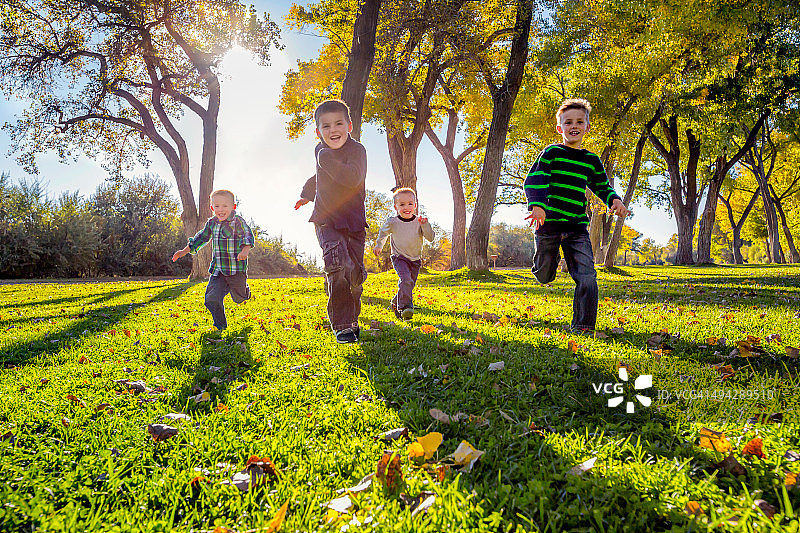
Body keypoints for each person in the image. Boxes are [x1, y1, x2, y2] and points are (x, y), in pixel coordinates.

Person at [524, 98, 630, 334]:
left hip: (576, 228)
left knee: (587, 276)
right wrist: (538, 206)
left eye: (579, 121)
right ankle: (543, 267)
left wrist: (615, 200)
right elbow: (535, 179)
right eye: (568, 122)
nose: (574, 125)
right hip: (548, 225)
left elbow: (602, 185)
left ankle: (583, 326)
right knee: (544, 275)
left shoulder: (590, 160)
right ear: (560, 128)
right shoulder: (552, 153)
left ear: (586, 127)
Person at [294, 99, 367, 344]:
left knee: (355, 275)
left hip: (355, 222)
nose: (332, 130)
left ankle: (352, 319)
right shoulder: (320, 150)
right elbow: (317, 176)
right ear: (318, 131)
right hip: (327, 220)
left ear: (349, 126)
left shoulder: (357, 151)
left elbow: (353, 178)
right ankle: (343, 325)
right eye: (325, 126)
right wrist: (306, 195)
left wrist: (326, 158)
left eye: (338, 123)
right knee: (338, 267)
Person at [172, 189, 255, 332]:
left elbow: (247, 234)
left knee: (239, 299)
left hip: (236, 270)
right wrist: (184, 251)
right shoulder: (212, 223)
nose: (220, 210)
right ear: (212, 208)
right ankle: (220, 325)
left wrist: (245, 250)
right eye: (217, 206)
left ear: (233, 207)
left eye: (225, 206)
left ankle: (245, 292)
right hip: (218, 271)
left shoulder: (238, 221)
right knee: (211, 299)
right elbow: (201, 238)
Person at [373, 187, 435, 320]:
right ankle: (405, 308)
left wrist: (425, 225)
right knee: (406, 280)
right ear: (396, 207)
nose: (406, 207)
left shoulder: (420, 222)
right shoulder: (393, 222)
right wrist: (379, 245)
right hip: (399, 257)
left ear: (415, 205)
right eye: (402, 204)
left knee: (409, 284)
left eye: (410, 204)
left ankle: (395, 302)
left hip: (415, 260)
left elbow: (430, 238)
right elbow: (383, 233)